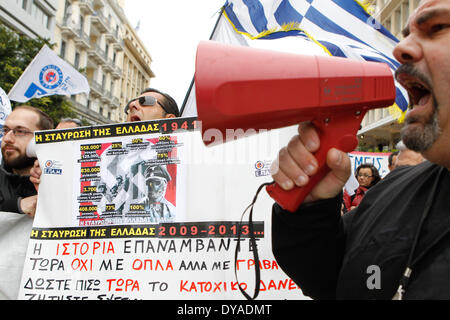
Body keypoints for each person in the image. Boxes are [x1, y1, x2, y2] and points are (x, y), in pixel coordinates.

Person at [270, 0, 450, 299]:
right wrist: (312, 210)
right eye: (406, 34)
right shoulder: (396, 187)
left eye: (438, 27)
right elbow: (330, 277)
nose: (399, 49)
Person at [30, 88, 180, 188]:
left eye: (145, 101)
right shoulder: (102, 162)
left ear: (170, 120)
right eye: (129, 105)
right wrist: (50, 184)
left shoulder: (190, 163)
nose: (133, 105)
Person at [0, 105, 53, 216]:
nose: (7, 138)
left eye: (20, 131)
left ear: (44, 138)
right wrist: (18, 205)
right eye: (5, 130)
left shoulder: (62, 183)